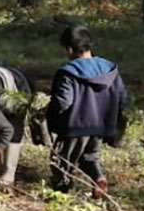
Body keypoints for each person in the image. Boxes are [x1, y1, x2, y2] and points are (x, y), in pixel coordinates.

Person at [45, 26, 129, 198]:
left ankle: (61, 195)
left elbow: (63, 102)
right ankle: (99, 178)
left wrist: (48, 113)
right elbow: (123, 98)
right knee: (90, 156)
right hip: (101, 126)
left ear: (69, 49)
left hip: (74, 126)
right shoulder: (110, 69)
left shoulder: (68, 72)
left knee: (62, 162)